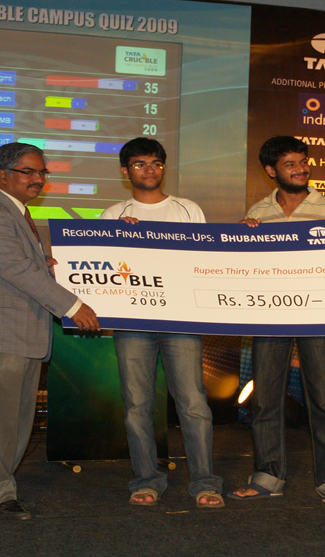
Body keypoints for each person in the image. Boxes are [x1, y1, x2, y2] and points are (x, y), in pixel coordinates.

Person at [0, 142, 100, 519]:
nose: (38, 179)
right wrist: (73, 306)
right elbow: (14, 270)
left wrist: (43, 264)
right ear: (3, 175)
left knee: (11, 424)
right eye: (29, 172)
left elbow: (18, 266)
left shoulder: (15, 212)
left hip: (19, 335)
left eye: (42, 172)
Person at [228, 135, 325, 507]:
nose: (301, 169)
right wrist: (242, 237)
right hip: (269, 315)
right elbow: (245, 265)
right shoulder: (258, 211)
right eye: (290, 164)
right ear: (271, 170)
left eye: (304, 162)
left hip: (317, 314)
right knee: (265, 398)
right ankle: (268, 474)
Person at [100, 137, 224, 509]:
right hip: (133, 321)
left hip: (181, 319)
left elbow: (205, 260)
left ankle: (205, 482)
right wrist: (119, 237)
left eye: (156, 163)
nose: (149, 169)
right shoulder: (113, 214)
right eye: (140, 164)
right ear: (125, 171)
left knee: (193, 403)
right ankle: (146, 480)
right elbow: (103, 269)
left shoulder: (187, 209)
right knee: (137, 406)